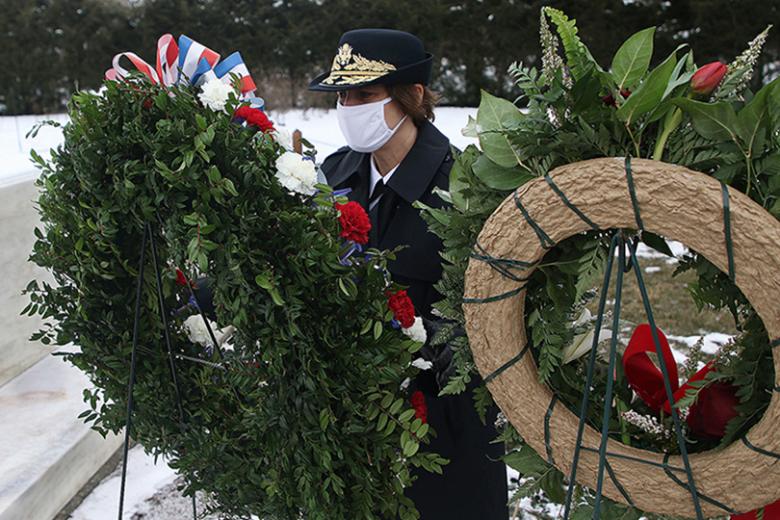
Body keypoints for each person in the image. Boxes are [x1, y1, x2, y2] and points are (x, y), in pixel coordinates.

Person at [309, 28, 508, 519]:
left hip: (444, 429)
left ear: (413, 96)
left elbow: (499, 308)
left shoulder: (466, 189)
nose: (348, 105)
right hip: (354, 427)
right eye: (342, 94)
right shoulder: (335, 176)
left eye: (365, 94)